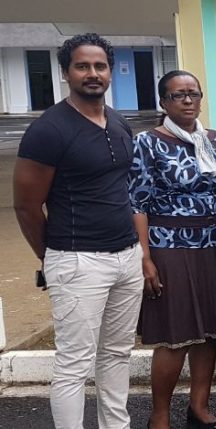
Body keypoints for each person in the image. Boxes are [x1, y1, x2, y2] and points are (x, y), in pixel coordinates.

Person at [13, 32, 143, 429]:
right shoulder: (48, 130)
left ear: (110, 71)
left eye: (100, 66)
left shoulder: (118, 121)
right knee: (74, 363)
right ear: (66, 72)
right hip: (77, 260)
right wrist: (52, 257)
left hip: (127, 256)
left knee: (117, 354)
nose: (92, 73)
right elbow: (26, 205)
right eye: (82, 66)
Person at [132, 70, 216, 429]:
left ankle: (199, 407)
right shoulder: (147, 142)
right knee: (175, 334)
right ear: (163, 102)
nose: (187, 101)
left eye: (193, 94)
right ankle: (159, 415)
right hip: (170, 247)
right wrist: (145, 258)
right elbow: (136, 203)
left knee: (209, 330)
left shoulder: (213, 139)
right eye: (177, 95)